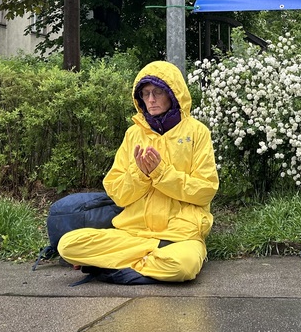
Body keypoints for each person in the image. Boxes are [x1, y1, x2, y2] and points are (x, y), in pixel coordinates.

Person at [58, 61, 218, 284]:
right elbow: (117, 193)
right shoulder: (133, 134)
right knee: (68, 245)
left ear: (173, 93)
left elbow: (205, 191)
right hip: (132, 234)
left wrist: (161, 174)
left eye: (157, 92)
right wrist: (141, 175)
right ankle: (146, 260)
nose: (150, 100)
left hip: (180, 237)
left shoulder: (197, 132)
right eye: (145, 94)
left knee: (182, 266)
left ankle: (114, 265)